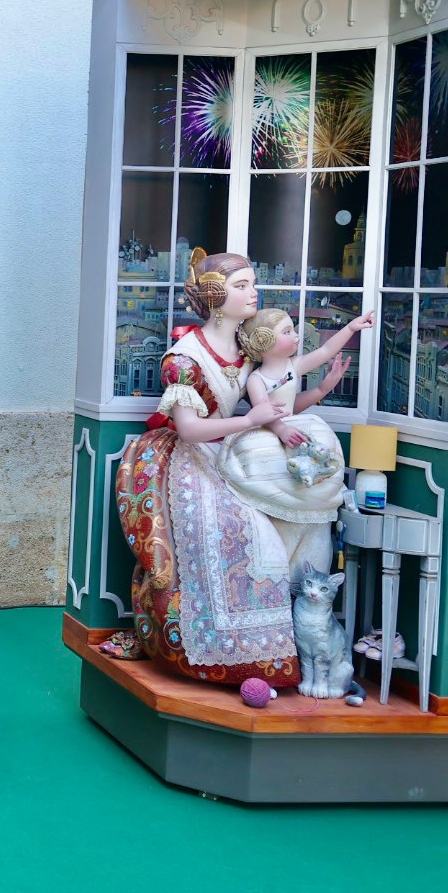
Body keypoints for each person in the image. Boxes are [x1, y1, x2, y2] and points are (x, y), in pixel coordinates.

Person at [115, 249, 347, 688]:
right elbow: (188, 430)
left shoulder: (246, 348)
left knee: (273, 540)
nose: (254, 292)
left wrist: (318, 392)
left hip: (229, 451)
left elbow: (276, 403)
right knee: (236, 534)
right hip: (189, 458)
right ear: (215, 298)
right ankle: (216, 647)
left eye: (253, 284)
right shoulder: (184, 358)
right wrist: (249, 421)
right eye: (242, 286)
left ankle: (265, 650)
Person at [220, 306, 374, 573]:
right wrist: (279, 428)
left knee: (309, 481)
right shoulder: (256, 379)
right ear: (265, 340)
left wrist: (350, 330)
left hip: (293, 429)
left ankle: (304, 561)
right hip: (267, 437)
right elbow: (263, 412)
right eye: (287, 331)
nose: (296, 336)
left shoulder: (294, 366)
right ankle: (274, 560)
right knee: (276, 499)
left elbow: (325, 352)